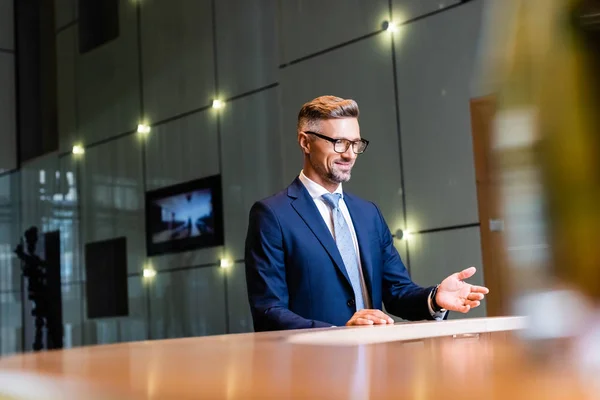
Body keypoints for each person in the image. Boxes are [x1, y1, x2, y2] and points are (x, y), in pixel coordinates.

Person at [244, 95, 489, 332]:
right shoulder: (272, 215)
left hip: (374, 365)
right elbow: (268, 312)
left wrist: (435, 298)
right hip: (312, 367)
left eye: (355, 144)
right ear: (305, 142)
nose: (349, 154)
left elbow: (397, 292)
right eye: (338, 142)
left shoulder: (368, 213)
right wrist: (337, 332)